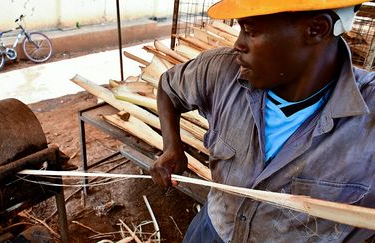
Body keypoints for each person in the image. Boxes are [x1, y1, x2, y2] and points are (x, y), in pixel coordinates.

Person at [150, 0, 375, 242]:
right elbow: (168, 89)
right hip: (212, 230)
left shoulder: (368, 119)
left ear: (316, 29)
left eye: (251, 31)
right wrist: (172, 147)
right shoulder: (220, 71)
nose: (238, 44)